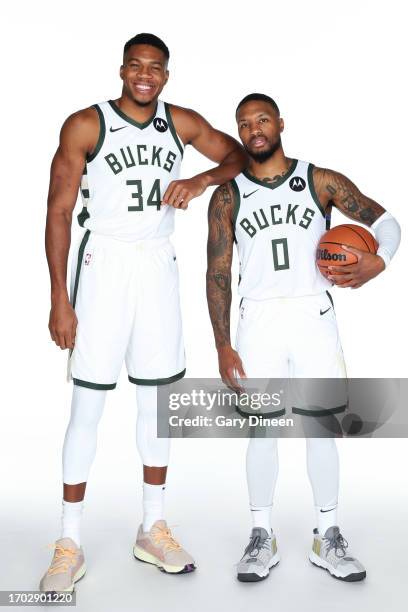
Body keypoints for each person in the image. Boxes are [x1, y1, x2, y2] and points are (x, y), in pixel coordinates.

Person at [41, 33, 246, 592]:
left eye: (156, 68)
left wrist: (199, 179)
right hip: (103, 263)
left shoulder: (179, 122)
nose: (145, 75)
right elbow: (59, 211)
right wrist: (60, 296)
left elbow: (237, 155)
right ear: (122, 69)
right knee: (88, 402)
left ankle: (152, 526)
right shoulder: (86, 124)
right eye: (137, 65)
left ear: (166, 76)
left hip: (157, 265)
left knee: (158, 403)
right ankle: (69, 540)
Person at [206, 93, 400, 582]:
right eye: (245, 123)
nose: (254, 129)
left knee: (321, 429)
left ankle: (327, 536)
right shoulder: (228, 194)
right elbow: (218, 272)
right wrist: (222, 343)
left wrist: (380, 261)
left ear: (280, 123)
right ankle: (260, 535)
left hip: (314, 316)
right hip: (259, 321)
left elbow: (386, 222)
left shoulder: (319, 180)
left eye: (262, 119)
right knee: (262, 430)